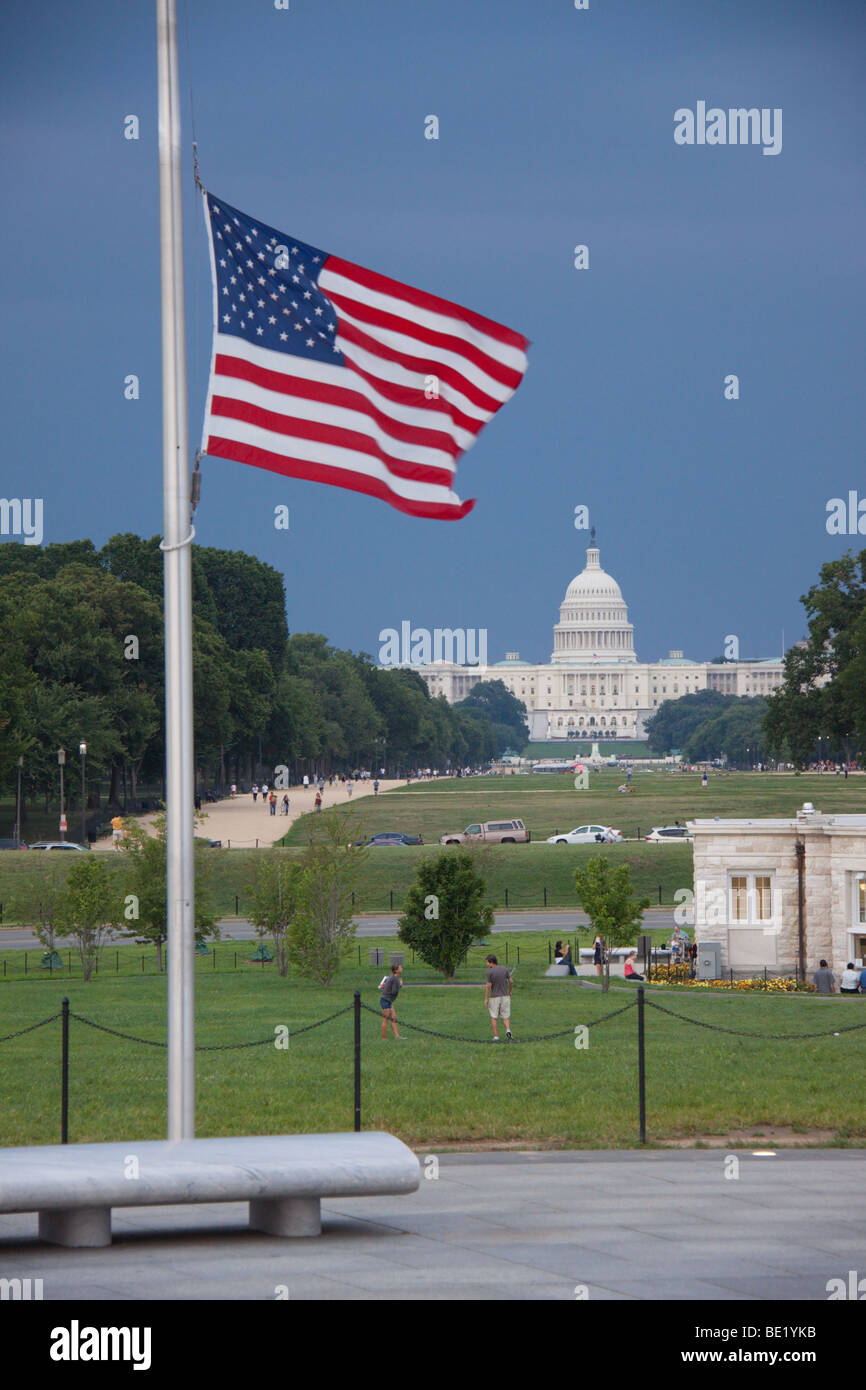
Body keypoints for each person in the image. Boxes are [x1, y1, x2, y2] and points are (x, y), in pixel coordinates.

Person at [485, 954, 513, 1040]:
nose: (486, 964)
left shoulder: (490, 972)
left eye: (487, 962)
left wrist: (486, 998)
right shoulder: (504, 969)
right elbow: (511, 981)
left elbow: (488, 986)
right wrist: (510, 991)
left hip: (495, 997)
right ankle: (508, 1030)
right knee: (505, 1016)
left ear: (491, 962)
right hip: (505, 996)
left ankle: (496, 1036)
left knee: (494, 1017)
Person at [379, 964, 403, 1039]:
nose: (402, 968)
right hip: (386, 1001)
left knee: (393, 1018)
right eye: (400, 967)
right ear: (396, 970)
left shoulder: (392, 977)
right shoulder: (395, 979)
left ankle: (397, 1036)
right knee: (385, 1020)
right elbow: (394, 991)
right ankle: (383, 1039)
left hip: (388, 1001)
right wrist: (400, 984)